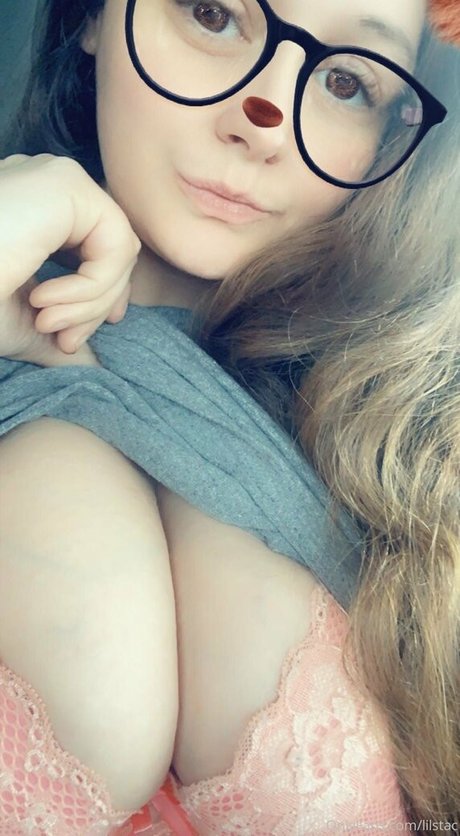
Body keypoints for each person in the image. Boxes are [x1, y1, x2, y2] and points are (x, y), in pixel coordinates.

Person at [0, 0, 458, 833]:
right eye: (214, 14)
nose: (265, 120)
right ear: (92, 16)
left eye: (346, 82)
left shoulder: (419, 457)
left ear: (394, 138)